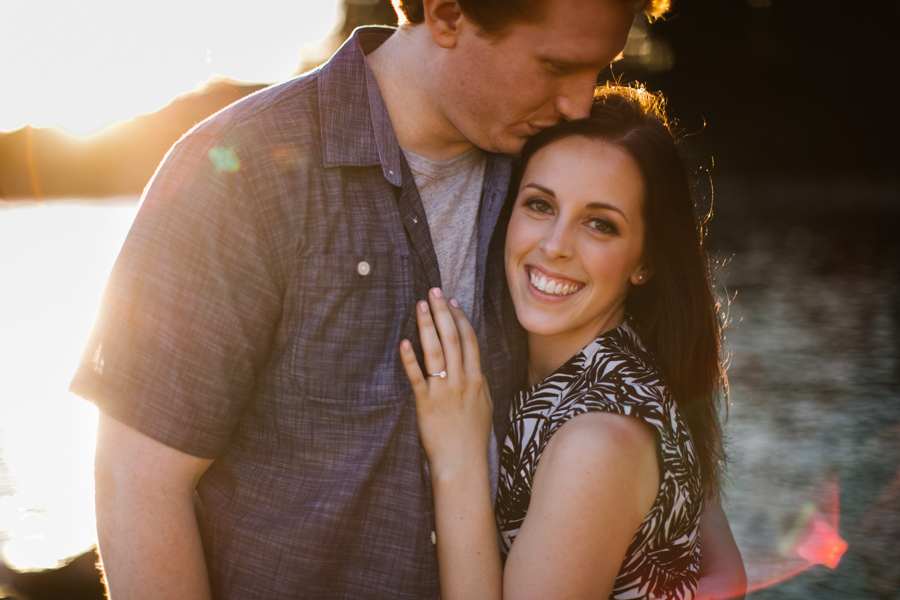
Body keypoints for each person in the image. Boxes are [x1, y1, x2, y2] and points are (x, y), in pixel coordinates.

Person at [71, 0, 746, 598]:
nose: (579, 102)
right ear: (447, 13)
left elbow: (651, 395)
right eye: (554, 65)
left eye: (597, 68)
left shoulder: (552, 167)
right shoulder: (238, 172)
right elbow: (139, 484)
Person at [400, 86, 736, 599]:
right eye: (539, 205)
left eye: (599, 224)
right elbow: (727, 573)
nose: (555, 246)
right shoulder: (642, 368)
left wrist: (459, 459)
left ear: (645, 262)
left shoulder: (595, 445)